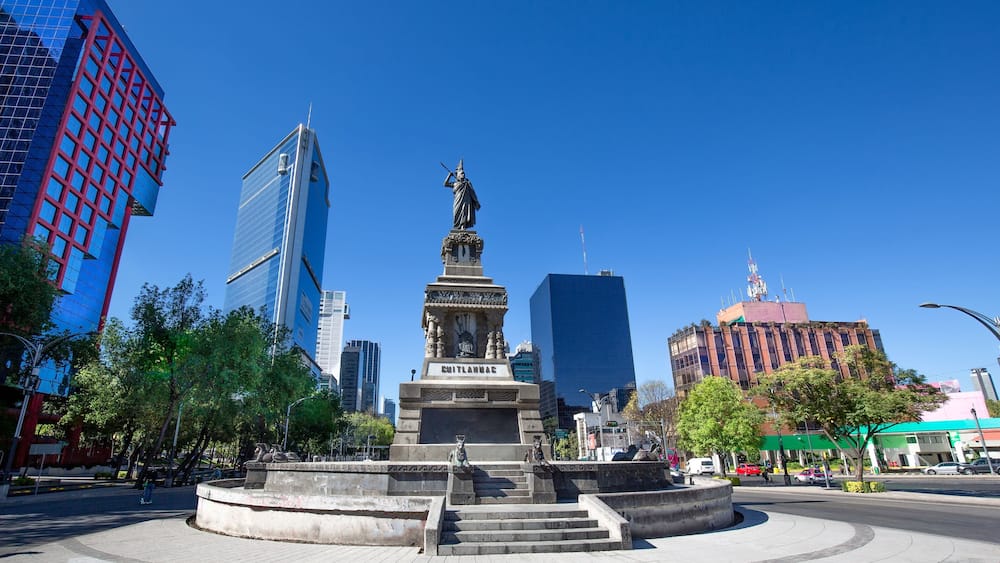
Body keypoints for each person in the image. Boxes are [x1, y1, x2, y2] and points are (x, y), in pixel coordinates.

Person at [443, 160, 480, 230]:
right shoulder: (455, 183)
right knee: (456, 213)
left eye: (464, 173)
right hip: (458, 201)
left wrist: (476, 201)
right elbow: (445, 184)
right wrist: (449, 176)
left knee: (465, 212)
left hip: (466, 200)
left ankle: (463, 226)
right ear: (458, 174)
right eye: (462, 173)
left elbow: (473, 192)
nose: (463, 175)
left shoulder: (467, 183)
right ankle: (458, 226)